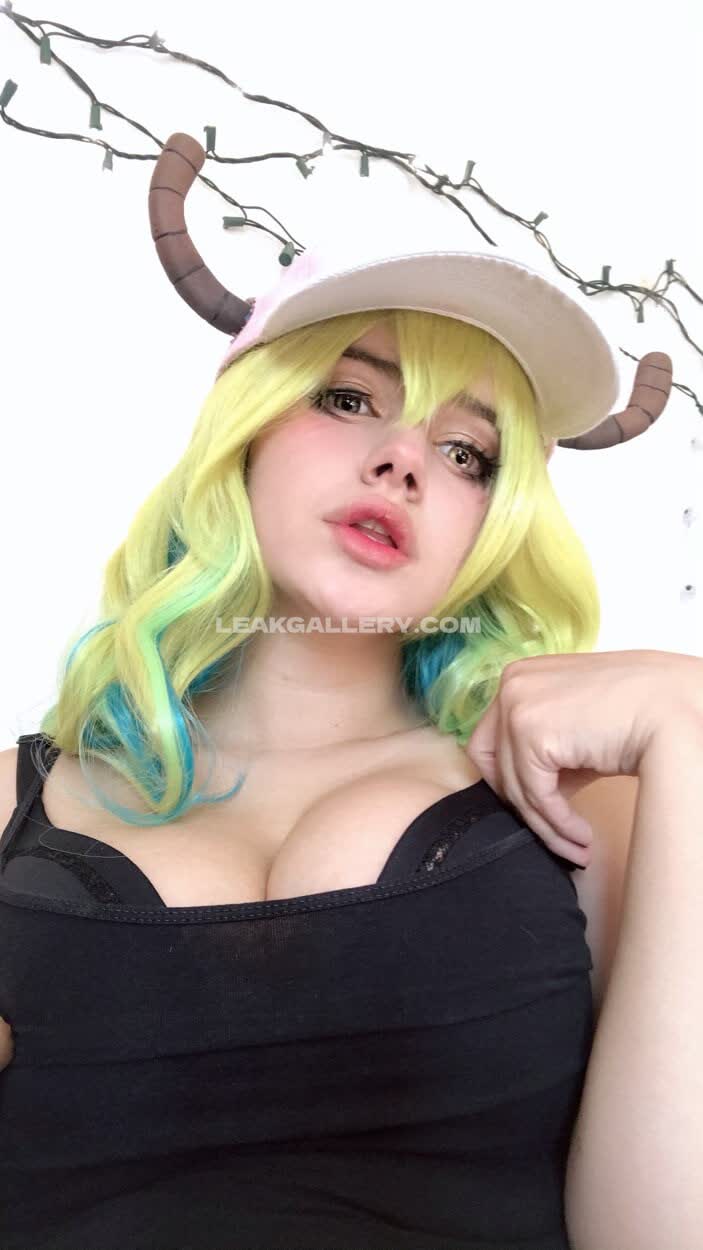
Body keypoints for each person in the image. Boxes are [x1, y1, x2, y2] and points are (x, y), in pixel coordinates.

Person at [0, 133, 677, 1249]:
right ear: (247, 432)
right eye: (351, 397)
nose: (405, 461)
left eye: (467, 454)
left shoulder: (580, 806)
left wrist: (688, 719)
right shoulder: (14, 804)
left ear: (492, 526)